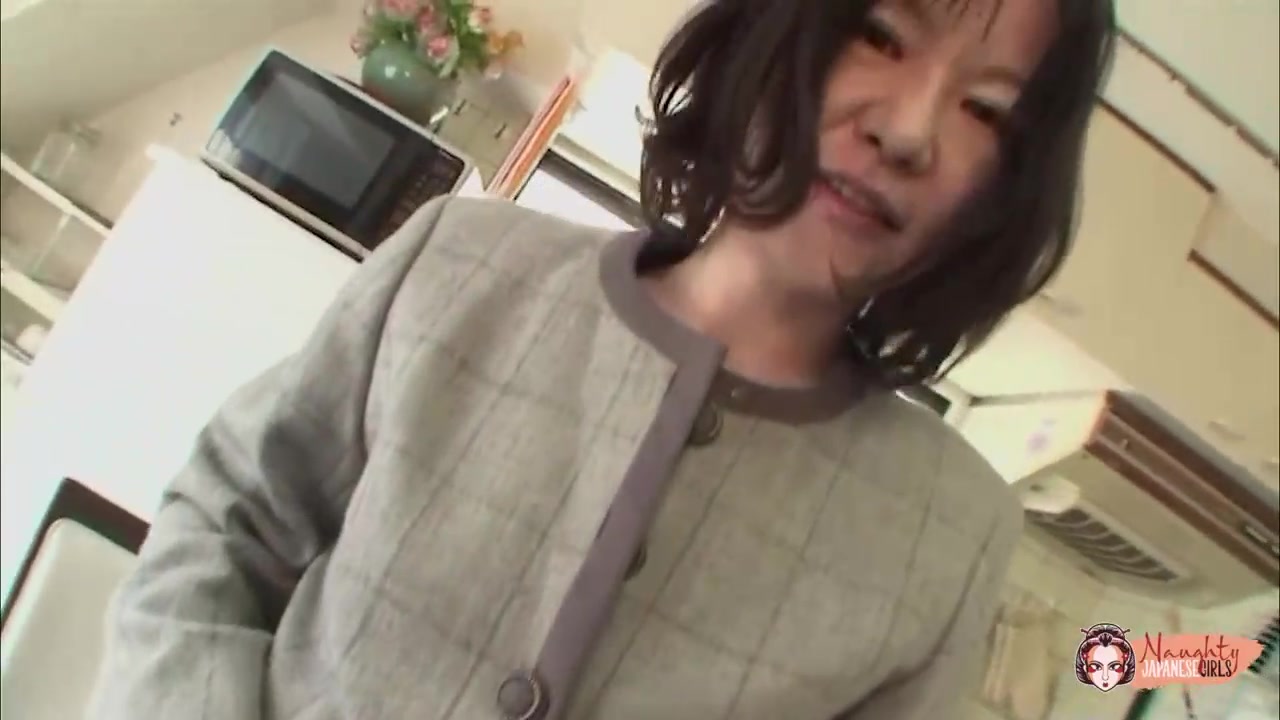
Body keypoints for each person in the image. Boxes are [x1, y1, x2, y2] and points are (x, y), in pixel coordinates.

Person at [90, 0, 1116, 718]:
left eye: (987, 110)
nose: (908, 131)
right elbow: (225, 528)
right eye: (881, 35)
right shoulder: (462, 260)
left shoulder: (951, 538)